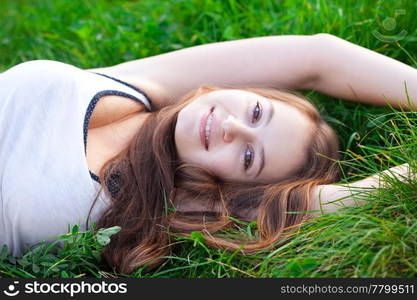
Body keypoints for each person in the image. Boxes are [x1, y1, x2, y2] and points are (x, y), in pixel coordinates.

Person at [0, 33, 415, 274]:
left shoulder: (164, 200)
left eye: (249, 157)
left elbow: (353, 198)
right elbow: (319, 56)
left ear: (230, 190)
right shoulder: (143, 86)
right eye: (256, 111)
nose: (233, 128)